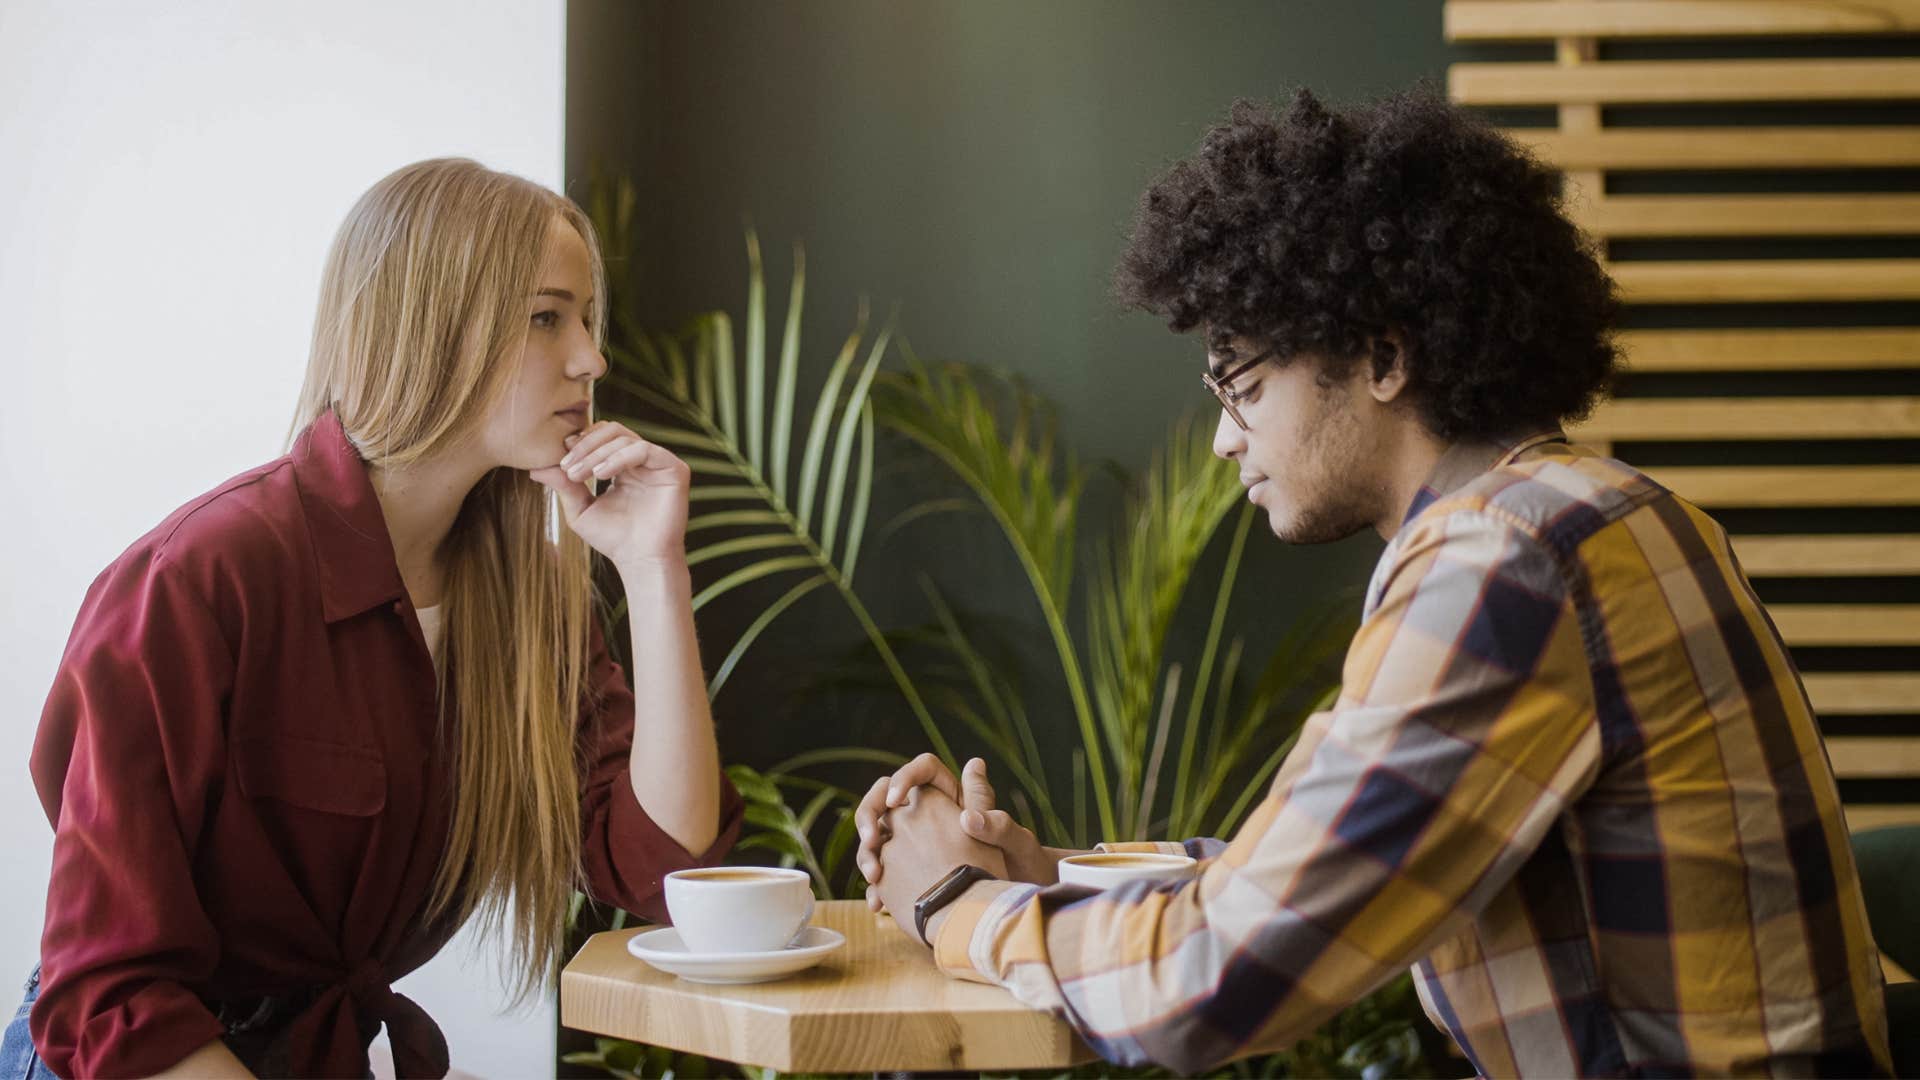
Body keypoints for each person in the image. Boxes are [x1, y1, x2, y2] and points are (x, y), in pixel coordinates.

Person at [855, 89, 1893, 1077]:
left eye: (1246, 386)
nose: (1224, 440)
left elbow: (1216, 983)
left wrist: (952, 903)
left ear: (1383, 356)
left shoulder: (1509, 560)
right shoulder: (1603, 511)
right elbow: (1327, 865)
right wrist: (1050, 878)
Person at [6, 159, 743, 1078]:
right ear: (435, 325)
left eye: (587, 320)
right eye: (548, 318)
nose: (591, 358)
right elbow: (112, 997)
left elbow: (664, 871)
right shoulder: (200, 579)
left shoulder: (524, 602)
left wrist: (652, 569)